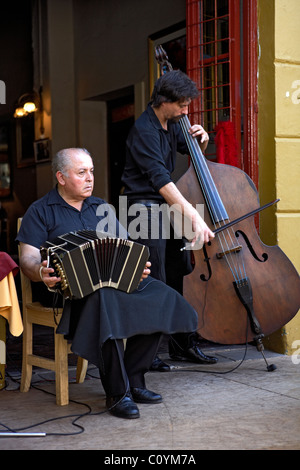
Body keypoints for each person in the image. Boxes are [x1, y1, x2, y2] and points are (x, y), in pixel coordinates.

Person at [16, 147, 199, 420]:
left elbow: (126, 246)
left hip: (112, 285)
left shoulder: (101, 207)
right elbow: (27, 257)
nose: (90, 178)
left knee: (162, 296)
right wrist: (39, 273)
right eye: (82, 173)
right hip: (65, 291)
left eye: (91, 171)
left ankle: (134, 378)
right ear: (61, 177)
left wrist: (138, 265)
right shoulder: (41, 210)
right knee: (104, 300)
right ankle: (117, 392)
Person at [121, 69, 218, 370]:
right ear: (164, 100)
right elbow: (162, 181)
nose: (186, 112)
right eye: (183, 105)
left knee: (180, 270)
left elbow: (189, 153)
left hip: (164, 205)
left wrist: (201, 141)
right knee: (154, 279)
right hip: (143, 208)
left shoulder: (172, 122)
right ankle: (145, 355)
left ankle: (181, 345)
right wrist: (195, 218)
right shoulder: (145, 130)